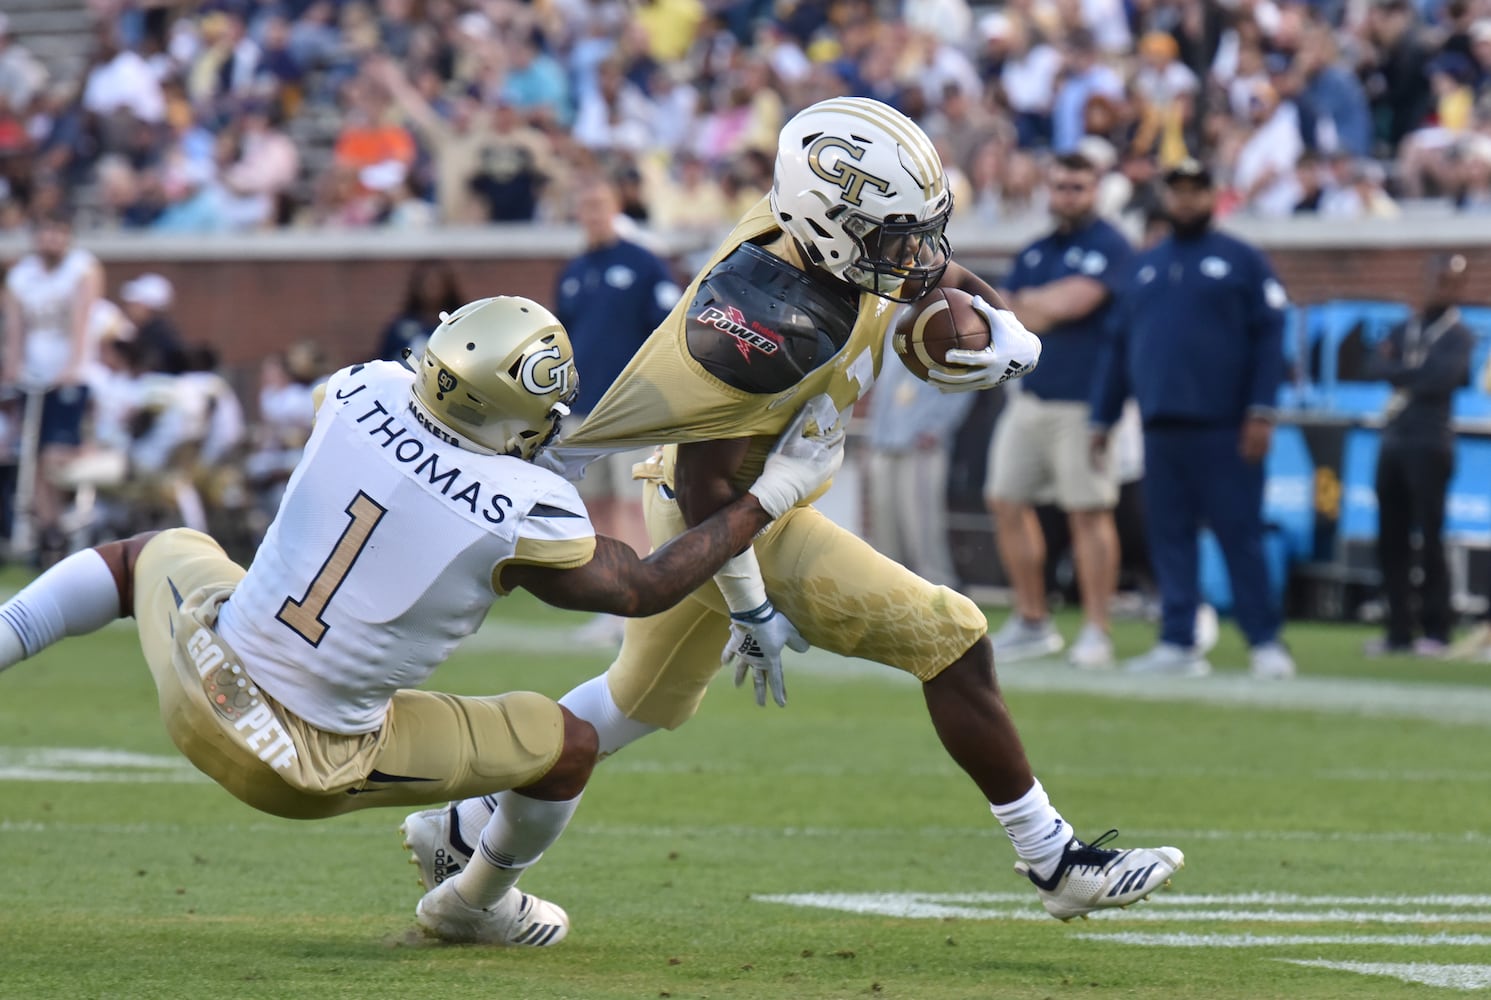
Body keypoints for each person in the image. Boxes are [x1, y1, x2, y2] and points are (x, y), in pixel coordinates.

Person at [409, 99, 1184, 926]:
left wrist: (1001, 324)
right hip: (733, 514)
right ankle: (1052, 859)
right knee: (951, 636)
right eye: (893, 237)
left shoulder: (833, 241)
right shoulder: (759, 324)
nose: (914, 254)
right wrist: (751, 608)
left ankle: (461, 825)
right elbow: (709, 488)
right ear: (833, 228)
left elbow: (932, 275)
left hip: (721, 492)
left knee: (637, 704)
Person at [0, 296, 845, 946]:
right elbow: (645, 585)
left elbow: (431, 461)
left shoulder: (361, 386)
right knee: (567, 748)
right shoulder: (526, 506)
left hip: (202, 666)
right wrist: (774, 492)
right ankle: (472, 904)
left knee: (146, 553)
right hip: (301, 755)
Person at [1091, 159, 1296, 680]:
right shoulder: (1145, 265)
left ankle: (1264, 639)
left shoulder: (1243, 260)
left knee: (1238, 533)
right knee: (1169, 535)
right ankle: (1179, 638)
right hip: (1161, 424)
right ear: (1165, 196)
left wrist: (1262, 410)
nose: (1186, 201)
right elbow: (1119, 347)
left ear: (1213, 196)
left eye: (1196, 191)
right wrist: (1103, 416)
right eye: (1177, 191)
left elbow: (1271, 338)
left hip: (1225, 424)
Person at [984, 153, 1134, 669]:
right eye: (1060, 187)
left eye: (1078, 187)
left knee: (1087, 512)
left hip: (1084, 402)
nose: (1067, 196)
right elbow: (1007, 317)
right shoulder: (1036, 250)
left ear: (1096, 191)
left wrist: (1030, 305)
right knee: (1005, 499)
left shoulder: (1111, 245)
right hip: (1032, 396)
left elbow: (1072, 304)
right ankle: (1032, 620)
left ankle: (1097, 629)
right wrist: (1034, 306)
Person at [554, 175, 680, 644]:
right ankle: (611, 605)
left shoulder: (644, 264)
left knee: (635, 504)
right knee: (595, 506)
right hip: (582, 409)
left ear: (616, 206)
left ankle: (643, 602)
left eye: (599, 204)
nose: (592, 214)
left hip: (629, 409)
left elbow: (667, 330)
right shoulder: (573, 270)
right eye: (584, 206)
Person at [1364, 253, 1474, 657]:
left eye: (1451, 282)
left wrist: (1402, 372)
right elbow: (1374, 364)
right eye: (1438, 279)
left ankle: (1436, 629)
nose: (1441, 288)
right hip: (1394, 440)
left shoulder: (1459, 334)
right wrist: (1411, 372)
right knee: (1390, 538)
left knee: (1430, 536)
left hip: (1430, 443)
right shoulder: (1405, 327)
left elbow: (1439, 380)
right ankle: (1397, 630)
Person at [1, 213, 102, 564]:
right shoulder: (21, 277)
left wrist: (72, 366)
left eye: (58, 232)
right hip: (34, 379)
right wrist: (13, 371)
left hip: (70, 379)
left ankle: (73, 517)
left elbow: (81, 321)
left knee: (54, 455)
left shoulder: (81, 269)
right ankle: (51, 530)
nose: (51, 239)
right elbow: (17, 331)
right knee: (31, 457)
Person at [864, 332, 972, 588]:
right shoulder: (891, 317)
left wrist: (938, 427)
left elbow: (966, 379)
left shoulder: (947, 312)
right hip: (884, 438)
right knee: (885, 528)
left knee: (922, 529)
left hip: (921, 442)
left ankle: (939, 595)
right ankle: (888, 593)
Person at [376, 261, 464, 363]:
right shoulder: (401, 327)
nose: (431, 288)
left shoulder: (457, 325)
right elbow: (384, 361)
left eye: (436, 283)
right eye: (426, 283)